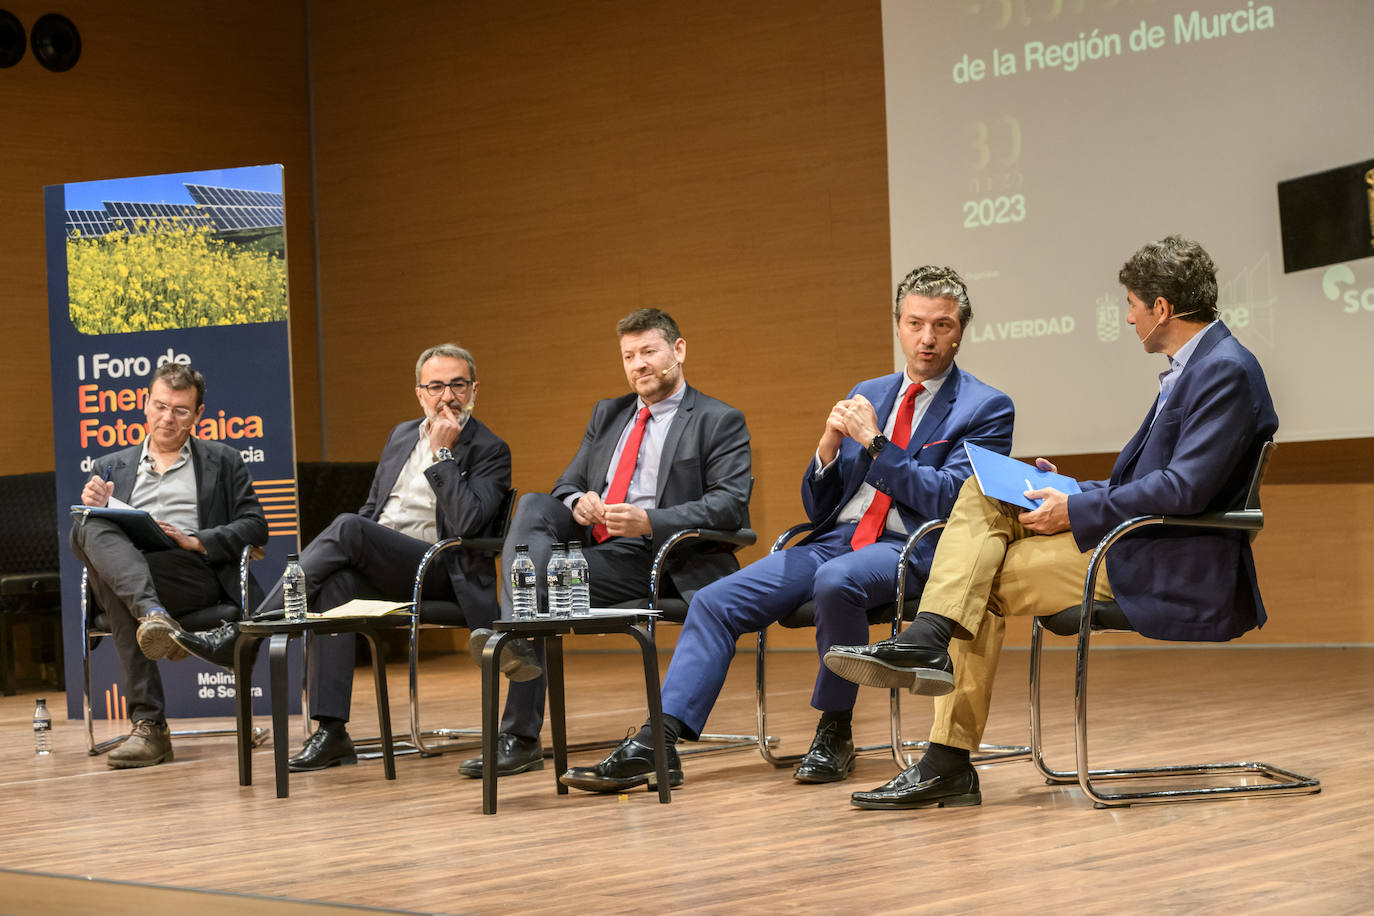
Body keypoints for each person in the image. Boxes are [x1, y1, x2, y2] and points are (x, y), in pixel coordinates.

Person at [825, 235, 1278, 810]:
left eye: (1133, 304)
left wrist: (1077, 508)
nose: (1128, 315)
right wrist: (1069, 488)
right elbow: (1157, 480)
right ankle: (929, 649)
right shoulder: (1198, 365)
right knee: (983, 489)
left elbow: (1184, 489)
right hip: (1136, 533)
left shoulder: (1225, 370)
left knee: (977, 583)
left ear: (1162, 309)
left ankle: (943, 741)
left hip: (1163, 554)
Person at [560, 266, 1015, 793]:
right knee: (713, 600)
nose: (927, 338)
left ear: (961, 330)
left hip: (909, 547)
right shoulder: (871, 390)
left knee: (836, 582)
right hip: (833, 541)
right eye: (915, 323)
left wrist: (874, 444)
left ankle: (834, 729)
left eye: (941, 325)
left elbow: (950, 500)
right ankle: (660, 741)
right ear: (898, 326)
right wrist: (825, 450)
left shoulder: (986, 407)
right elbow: (821, 502)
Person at [174, 344, 513, 771]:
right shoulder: (402, 435)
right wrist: (359, 551)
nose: (447, 396)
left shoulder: (490, 449)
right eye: (436, 386)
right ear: (419, 393)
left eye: (458, 385)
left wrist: (443, 454)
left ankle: (245, 634)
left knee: (349, 527)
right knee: (335, 584)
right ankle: (332, 732)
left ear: (474, 389)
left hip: (444, 570)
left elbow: (470, 525)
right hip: (388, 565)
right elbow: (375, 509)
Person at [458, 308, 752, 779]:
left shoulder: (718, 419)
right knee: (534, 504)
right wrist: (578, 502)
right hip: (591, 549)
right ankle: (516, 635)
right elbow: (565, 483)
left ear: (678, 351)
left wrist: (648, 520)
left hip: (658, 558)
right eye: (628, 356)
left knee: (537, 594)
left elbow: (729, 505)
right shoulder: (608, 413)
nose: (638, 365)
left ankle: (517, 717)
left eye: (648, 352)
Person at [70, 363, 268, 768]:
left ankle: (150, 728)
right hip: (131, 574)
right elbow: (94, 540)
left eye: (180, 410)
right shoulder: (110, 466)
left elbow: (255, 525)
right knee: (87, 527)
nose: (168, 418)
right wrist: (97, 507)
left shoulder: (224, 460)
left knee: (115, 585)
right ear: (145, 405)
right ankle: (155, 617)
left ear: (198, 415)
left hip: (193, 573)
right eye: (160, 406)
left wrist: (197, 540)